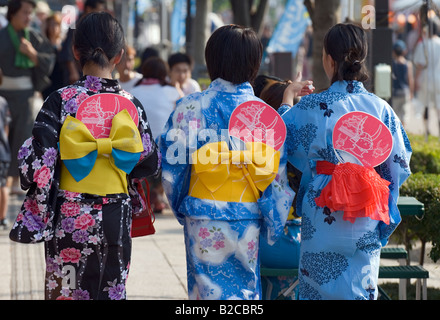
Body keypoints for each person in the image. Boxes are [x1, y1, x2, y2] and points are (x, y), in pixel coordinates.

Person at [9, 12, 160, 300]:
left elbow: (39, 163)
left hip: (69, 211)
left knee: (66, 291)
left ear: (76, 51)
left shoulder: (61, 100)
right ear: (118, 56)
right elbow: (149, 160)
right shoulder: (131, 104)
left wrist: (28, 151)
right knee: (111, 289)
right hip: (116, 212)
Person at [159, 24, 310, 300]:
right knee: (244, 292)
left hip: (202, 212)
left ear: (211, 60)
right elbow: (276, 174)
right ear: (254, 64)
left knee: (206, 294)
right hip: (247, 214)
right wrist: (272, 219)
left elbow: (172, 168)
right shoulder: (264, 114)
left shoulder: (189, 107)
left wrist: (182, 206)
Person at [280, 23, 412, 300]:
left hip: (323, 210)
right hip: (367, 209)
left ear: (329, 60)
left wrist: (287, 100)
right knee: (359, 290)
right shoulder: (380, 108)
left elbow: (280, 136)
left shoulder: (312, 106)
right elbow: (397, 166)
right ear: (361, 58)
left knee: (318, 290)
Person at [0, 0, 55, 195]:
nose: (28, 17)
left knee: (22, 137)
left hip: (26, 95)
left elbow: (49, 60)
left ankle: (16, 180)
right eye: (25, 12)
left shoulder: (33, 37)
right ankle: (3, 180)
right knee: (3, 137)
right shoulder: (2, 36)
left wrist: (32, 54)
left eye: (30, 13)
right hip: (3, 94)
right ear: (13, 13)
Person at [130, 56, 180, 213]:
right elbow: (181, 113)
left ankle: (149, 193)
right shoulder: (171, 92)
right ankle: (158, 194)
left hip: (138, 151)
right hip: (166, 151)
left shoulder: (131, 92)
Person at [413, 21, 440, 137]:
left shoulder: (423, 44)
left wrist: (415, 80)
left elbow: (420, 65)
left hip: (425, 79)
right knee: (438, 105)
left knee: (426, 105)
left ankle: (426, 130)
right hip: (438, 78)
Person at [42, 12, 67, 99]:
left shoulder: (64, 44)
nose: (53, 27)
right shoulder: (44, 44)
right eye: (51, 24)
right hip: (48, 82)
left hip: (62, 80)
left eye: (56, 24)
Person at [391, 40, 414, 125]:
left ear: (393, 52)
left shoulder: (392, 64)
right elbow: (410, 79)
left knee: (395, 114)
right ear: (404, 51)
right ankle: (403, 131)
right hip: (405, 91)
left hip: (395, 91)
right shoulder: (408, 64)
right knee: (404, 113)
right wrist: (411, 93)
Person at [0, 69, 11, 228]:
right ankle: (3, 218)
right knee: (3, 185)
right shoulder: (3, 101)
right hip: (3, 150)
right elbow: (7, 127)